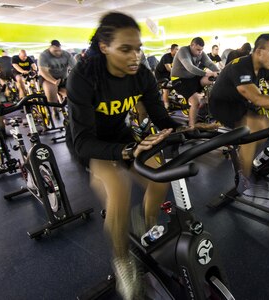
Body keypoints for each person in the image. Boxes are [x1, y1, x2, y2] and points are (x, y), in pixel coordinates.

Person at [66, 12, 182, 300]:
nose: (135, 56)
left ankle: (146, 222)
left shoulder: (141, 74)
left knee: (160, 176)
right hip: (91, 144)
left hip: (121, 137)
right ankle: (122, 260)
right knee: (118, 191)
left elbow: (161, 116)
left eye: (139, 48)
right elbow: (83, 141)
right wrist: (128, 151)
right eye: (126, 49)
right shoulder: (83, 76)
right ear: (105, 47)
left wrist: (193, 127)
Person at [209, 33, 269, 193]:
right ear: (259, 51)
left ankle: (247, 156)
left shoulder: (264, 67)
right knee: (256, 125)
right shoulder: (241, 66)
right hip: (222, 106)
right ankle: (244, 176)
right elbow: (256, 98)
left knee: (266, 125)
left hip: (241, 102)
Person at [170, 37, 219, 127]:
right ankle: (191, 127)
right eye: (198, 50)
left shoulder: (200, 52)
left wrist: (219, 73)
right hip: (179, 80)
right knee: (196, 102)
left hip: (192, 77)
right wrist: (206, 73)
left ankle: (207, 101)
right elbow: (190, 68)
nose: (200, 52)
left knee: (212, 78)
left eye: (201, 50)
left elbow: (210, 64)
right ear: (192, 45)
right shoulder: (183, 51)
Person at [155, 43, 179, 108]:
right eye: (177, 49)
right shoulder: (166, 56)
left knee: (177, 83)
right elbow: (168, 68)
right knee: (166, 89)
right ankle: (166, 106)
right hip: (161, 75)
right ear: (172, 50)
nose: (178, 51)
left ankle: (173, 99)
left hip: (168, 74)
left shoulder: (176, 58)